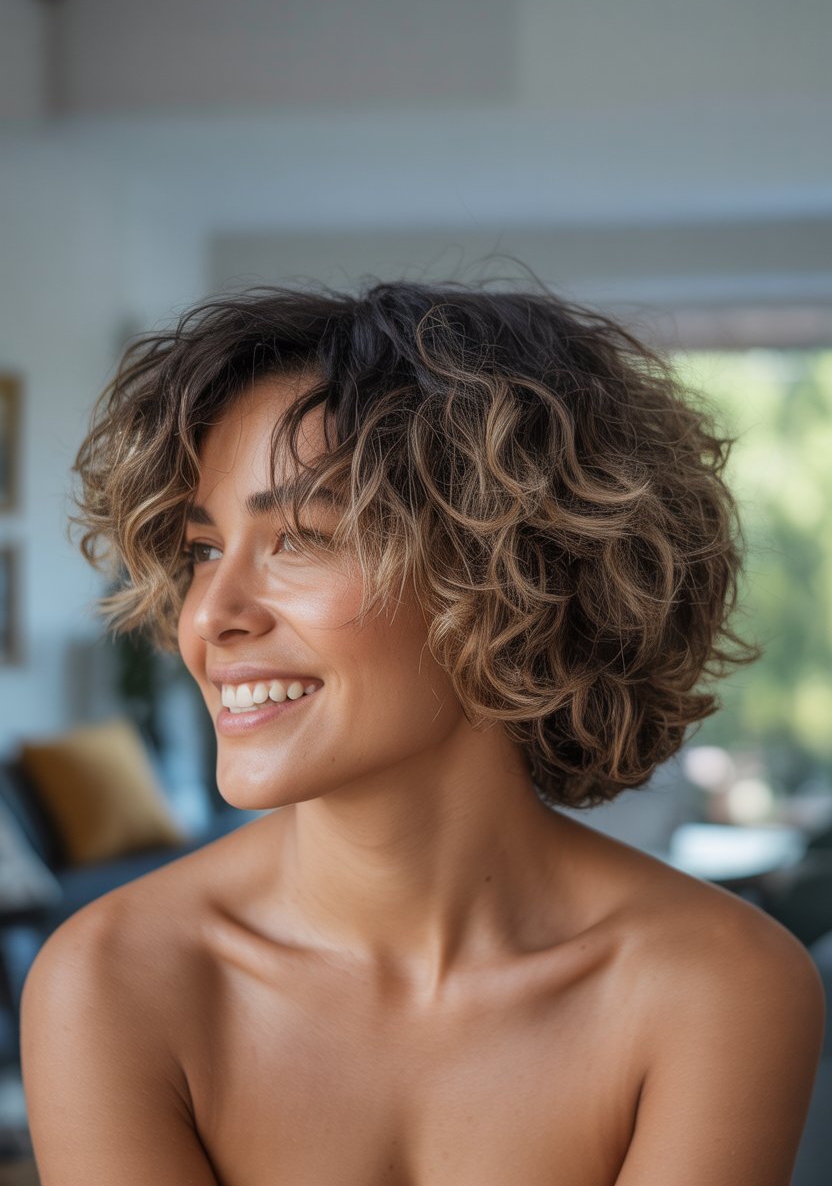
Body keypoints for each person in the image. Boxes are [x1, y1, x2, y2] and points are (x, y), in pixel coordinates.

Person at [21, 281, 824, 1184]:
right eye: (205, 550)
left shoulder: (717, 983)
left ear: (506, 574)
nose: (210, 616)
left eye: (301, 537)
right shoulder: (112, 980)